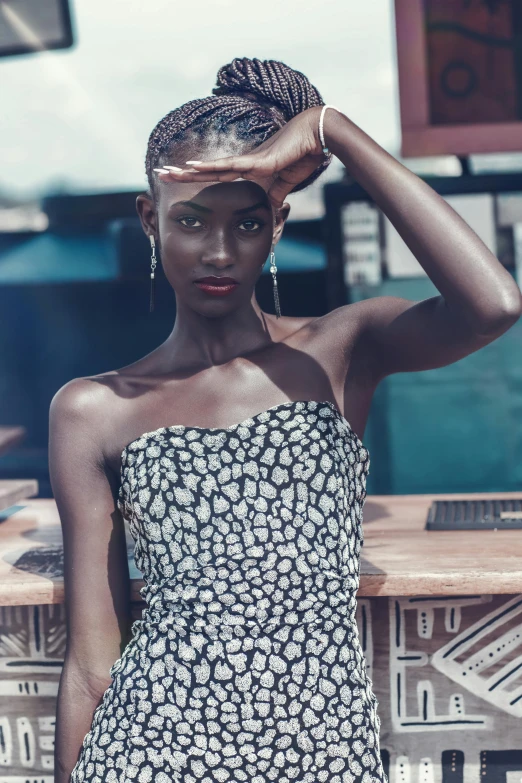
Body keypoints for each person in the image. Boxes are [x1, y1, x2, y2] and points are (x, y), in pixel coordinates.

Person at [49, 56, 521, 783]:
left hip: (321, 755)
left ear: (278, 225)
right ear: (152, 218)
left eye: (247, 221)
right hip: (150, 753)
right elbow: (90, 662)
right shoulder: (93, 407)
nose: (217, 250)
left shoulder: (341, 349)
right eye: (191, 219)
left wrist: (334, 132)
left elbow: (493, 304)